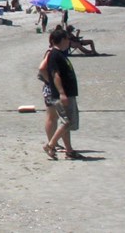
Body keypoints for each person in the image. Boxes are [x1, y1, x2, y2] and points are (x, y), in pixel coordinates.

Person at [40, 28, 85, 160]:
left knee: (65, 122)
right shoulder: (54, 54)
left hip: (66, 92)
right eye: (68, 39)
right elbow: (55, 74)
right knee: (67, 121)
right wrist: (61, 93)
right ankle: (51, 145)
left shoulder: (60, 54)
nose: (69, 42)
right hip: (62, 93)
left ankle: (69, 150)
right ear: (63, 40)